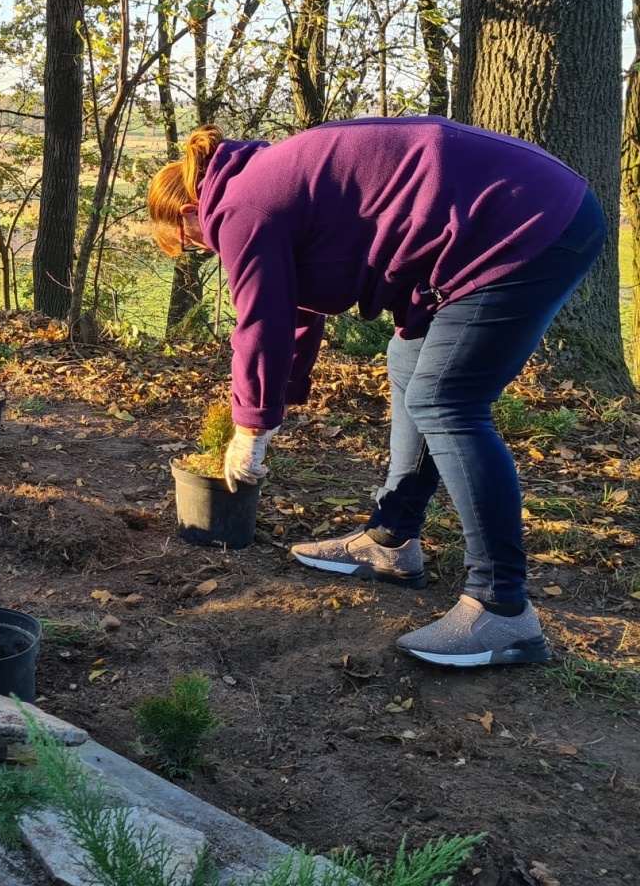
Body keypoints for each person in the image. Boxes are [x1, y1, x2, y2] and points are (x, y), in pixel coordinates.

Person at [147, 117, 604, 667]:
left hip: (521, 223)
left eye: (190, 241)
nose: (202, 249)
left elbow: (259, 321)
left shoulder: (241, 206)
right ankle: (391, 540)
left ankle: (501, 608)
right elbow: (294, 310)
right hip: (518, 213)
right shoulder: (261, 181)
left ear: (191, 212)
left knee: (446, 400)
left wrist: (250, 428)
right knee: (408, 359)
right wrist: (275, 405)